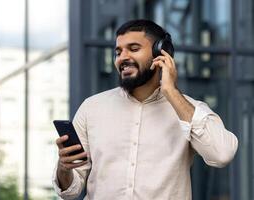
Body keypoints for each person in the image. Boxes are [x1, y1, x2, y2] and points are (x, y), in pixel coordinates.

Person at [52, 19, 238, 200]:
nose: (122, 58)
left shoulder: (189, 109)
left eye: (134, 49)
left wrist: (171, 92)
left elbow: (222, 154)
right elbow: (70, 190)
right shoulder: (91, 108)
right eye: (118, 52)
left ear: (161, 53)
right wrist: (64, 168)